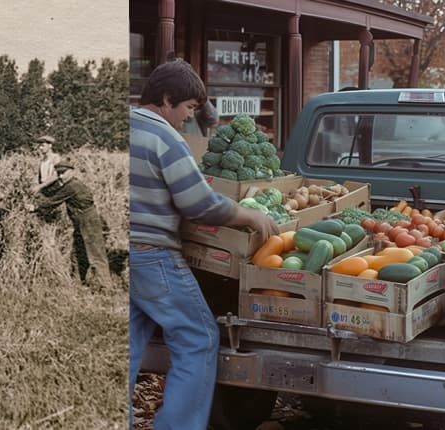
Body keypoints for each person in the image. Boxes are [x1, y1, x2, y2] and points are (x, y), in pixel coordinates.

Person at [129, 60, 279, 430]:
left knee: (127, 344)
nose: (188, 119)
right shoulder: (165, 137)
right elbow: (198, 203)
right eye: (189, 109)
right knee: (198, 336)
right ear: (166, 100)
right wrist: (250, 217)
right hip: (152, 256)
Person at [30, 158, 111, 288]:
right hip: (81, 220)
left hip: (88, 220)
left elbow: (53, 200)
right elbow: (55, 194)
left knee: (95, 252)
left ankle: (106, 286)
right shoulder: (73, 184)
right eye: (59, 173)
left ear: (71, 172)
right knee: (78, 251)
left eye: (63, 173)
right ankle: (79, 281)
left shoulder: (72, 186)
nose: (61, 176)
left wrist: (34, 207)